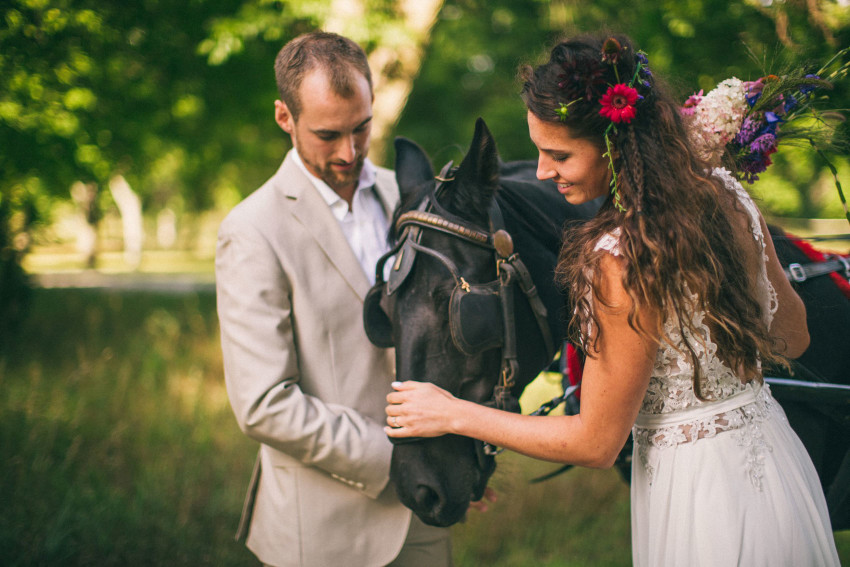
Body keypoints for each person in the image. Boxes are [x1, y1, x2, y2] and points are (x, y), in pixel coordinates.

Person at [385, 33, 840, 565]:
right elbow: (793, 337)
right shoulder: (725, 194)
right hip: (776, 466)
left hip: (701, 492)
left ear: (616, 145)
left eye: (559, 155)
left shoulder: (618, 258)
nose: (540, 172)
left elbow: (595, 443)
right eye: (537, 151)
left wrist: (452, 413)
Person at [216, 31, 452, 567]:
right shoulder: (252, 231)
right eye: (328, 134)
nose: (349, 152)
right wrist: (400, 458)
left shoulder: (412, 198)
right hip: (323, 530)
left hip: (424, 513)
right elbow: (263, 404)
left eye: (361, 127)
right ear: (284, 117)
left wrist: (453, 454)